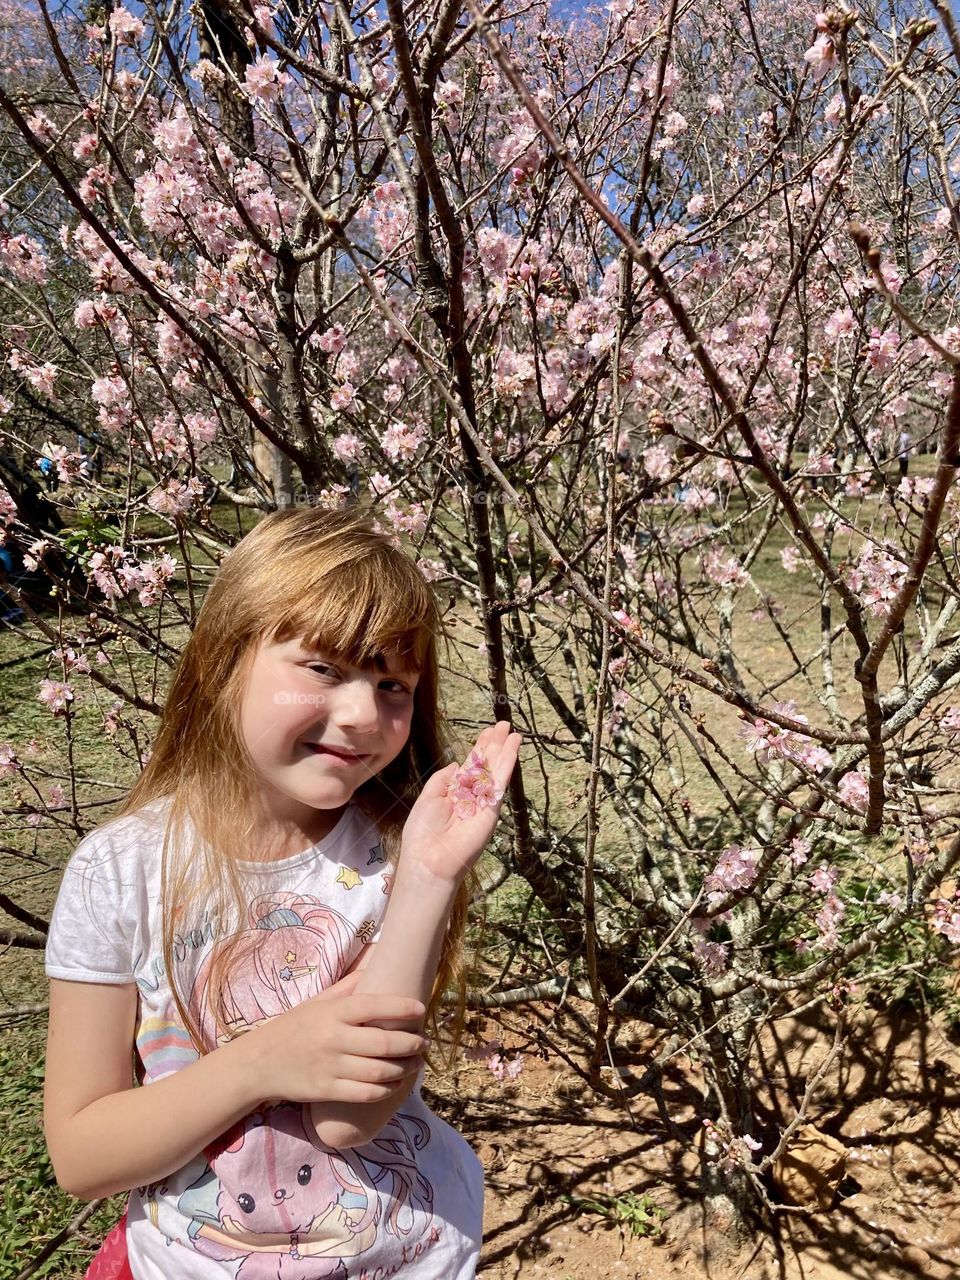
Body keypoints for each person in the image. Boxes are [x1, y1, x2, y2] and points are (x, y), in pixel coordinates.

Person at [43, 506, 521, 1280]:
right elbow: (81, 1155)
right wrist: (260, 1063)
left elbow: (349, 1119)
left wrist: (430, 878)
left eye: (392, 683)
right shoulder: (119, 873)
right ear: (222, 660)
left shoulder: (391, 861)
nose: (365, 714)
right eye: (324, 669)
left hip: (404, 1257)